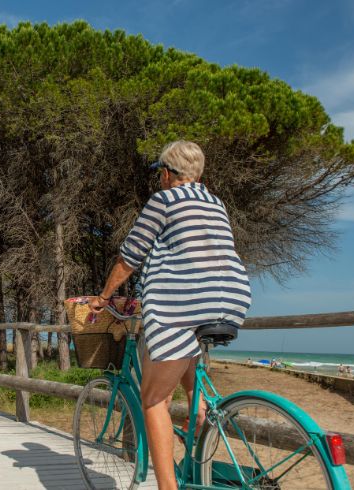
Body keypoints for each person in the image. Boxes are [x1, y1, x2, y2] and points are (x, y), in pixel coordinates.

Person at [89, 141, 251, 490]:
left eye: (159, 173)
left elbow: (131, 255)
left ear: (166, 173)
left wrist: (103, 297)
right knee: (189, 376)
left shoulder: (164, 200)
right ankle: (200, 434)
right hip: (230, 297)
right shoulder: (215, 202)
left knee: (154, 399)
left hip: (181, 301)